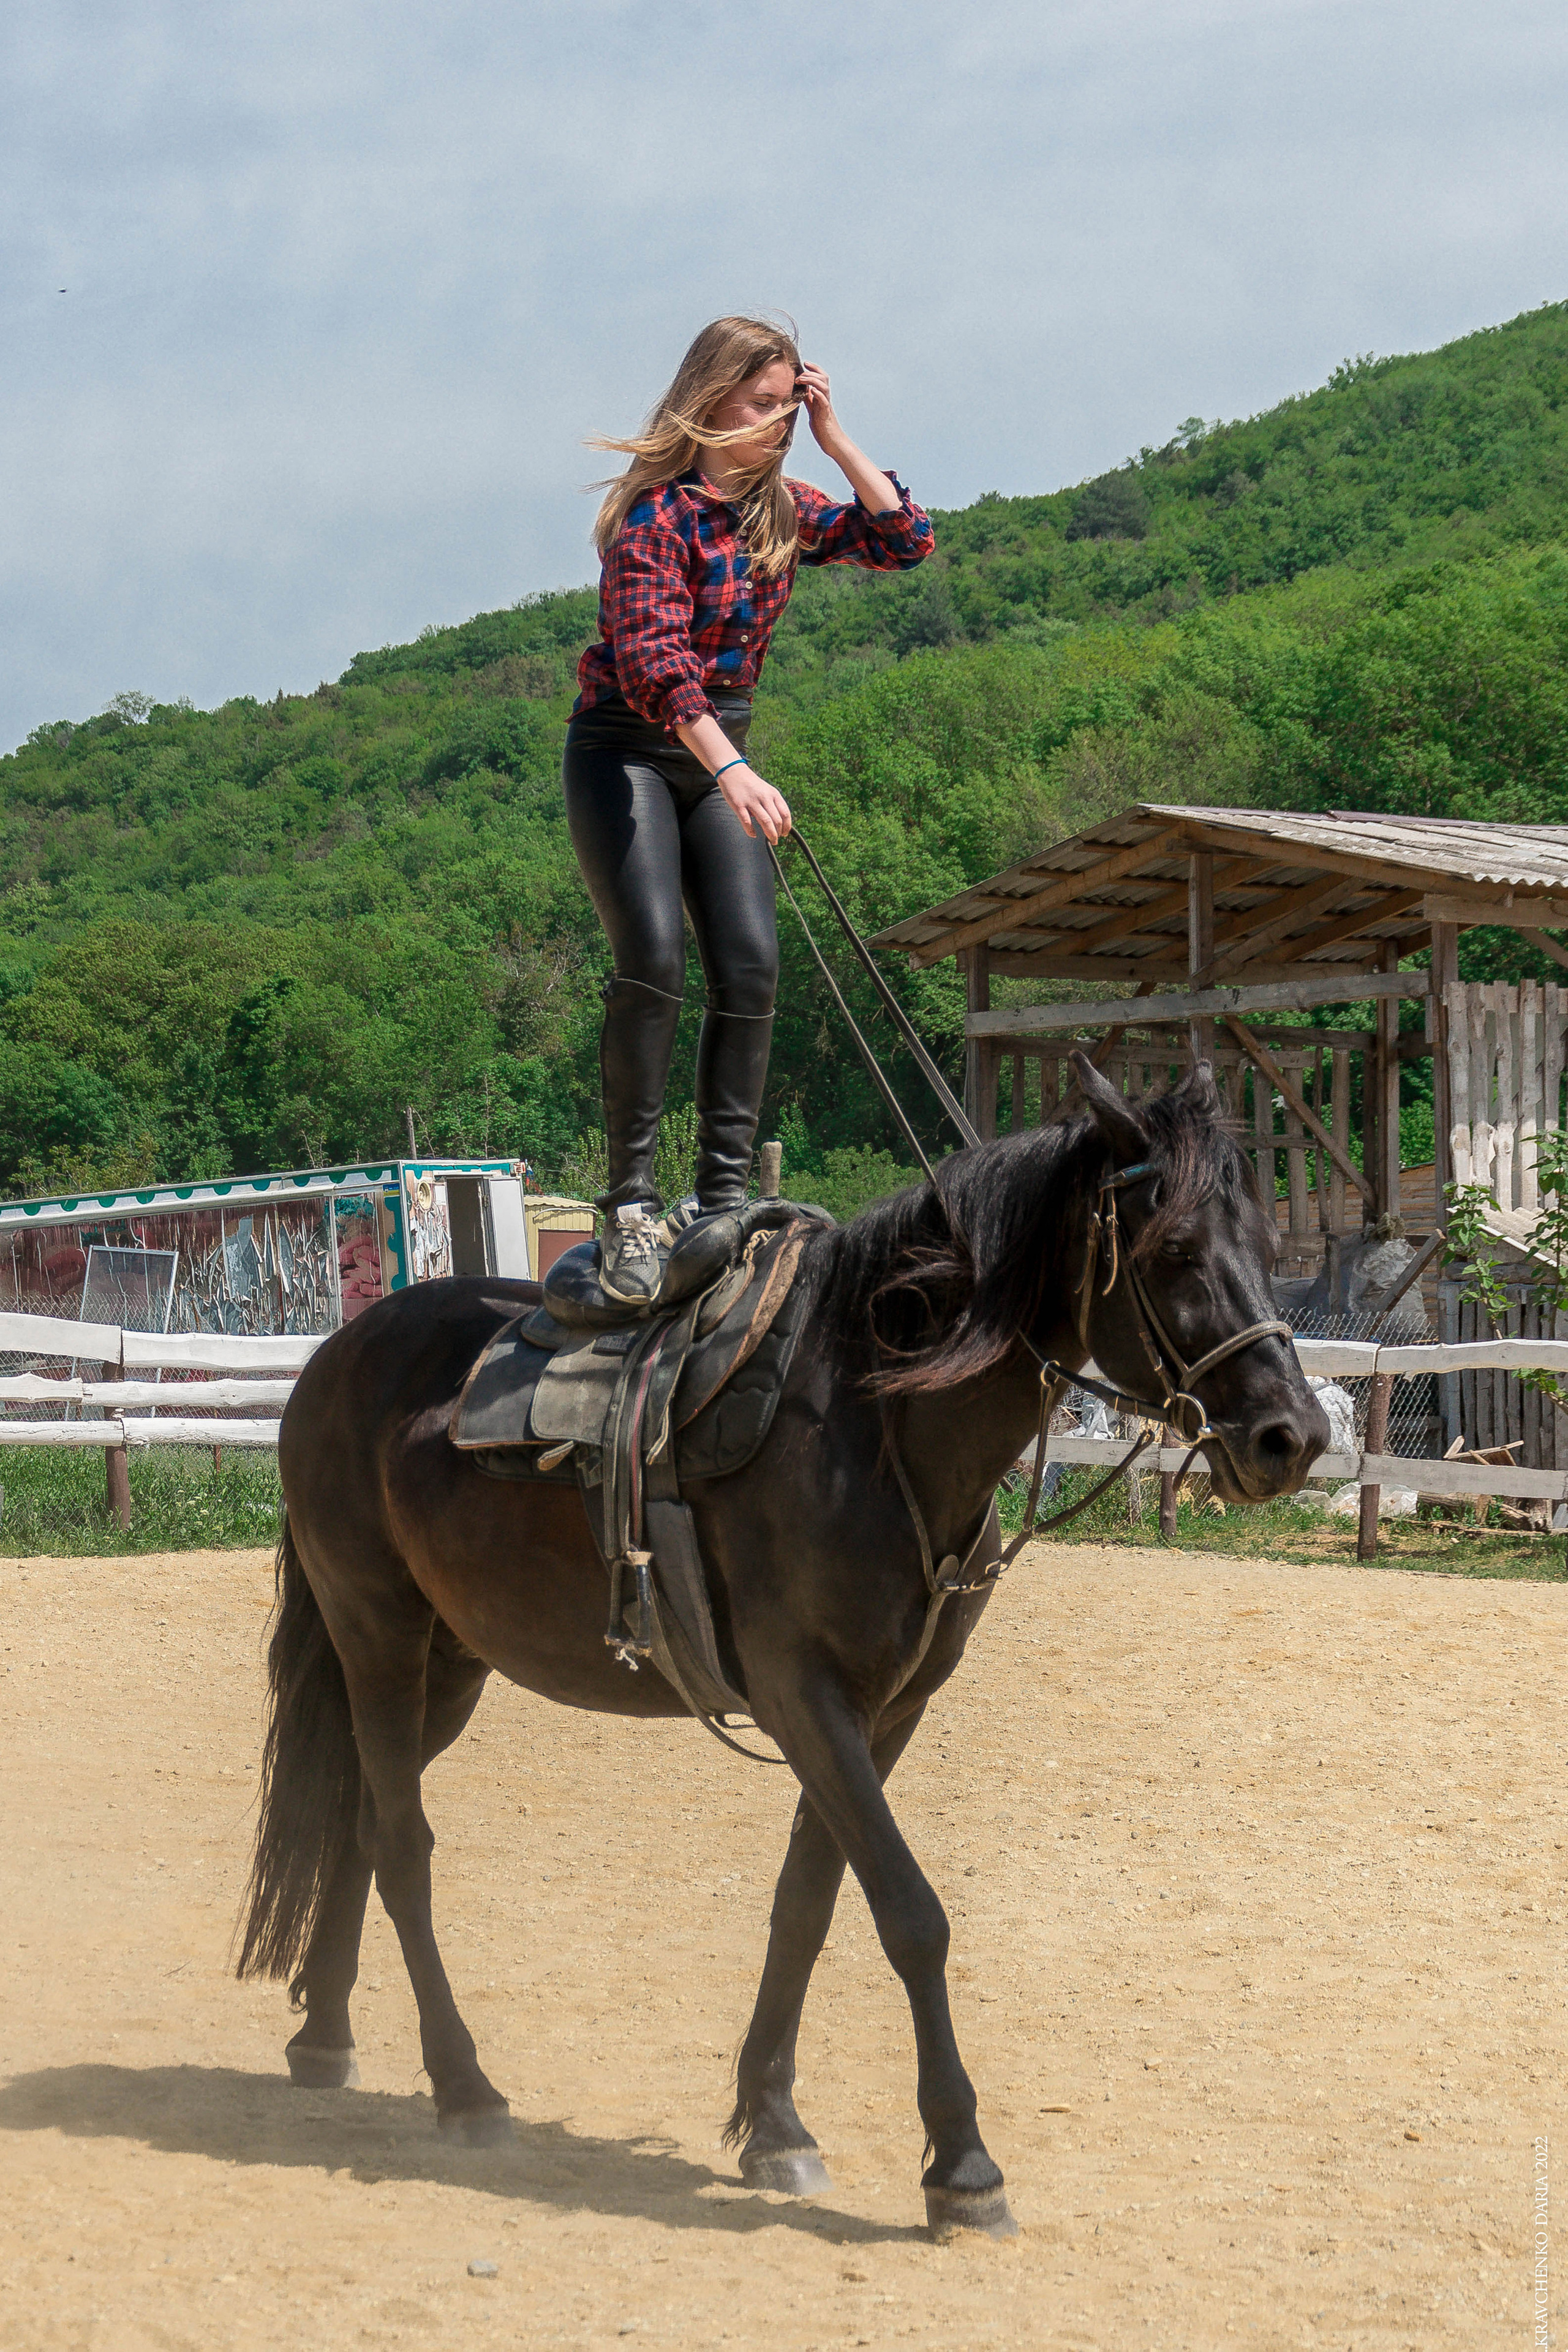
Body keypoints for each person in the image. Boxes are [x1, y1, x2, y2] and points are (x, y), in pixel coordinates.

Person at [564, 314, 935, 1305]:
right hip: (630, 750)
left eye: (790, 405)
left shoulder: (786, 508)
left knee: (752, 964)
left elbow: (905, 540)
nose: (777, 423)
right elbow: (655, 666)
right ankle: (630, 1209)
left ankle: (718, 1200)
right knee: (653, 960)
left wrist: (838, 438)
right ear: (711, 398)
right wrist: (732, 769)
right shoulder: (654, 518)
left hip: (718, 750)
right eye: (763, 405)